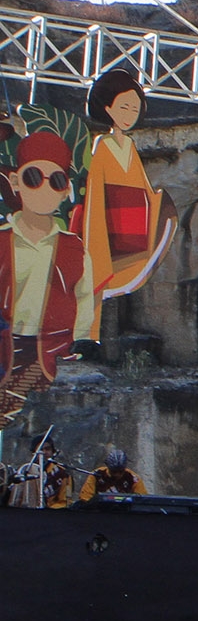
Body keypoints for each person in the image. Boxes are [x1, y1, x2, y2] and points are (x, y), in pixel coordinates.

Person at [2, 129, 96, 421]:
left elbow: (84, 298)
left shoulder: (75, 248)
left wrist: (82, 340)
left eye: (55, 181)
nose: (43, 189)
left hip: (52, 354)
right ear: (16, 182)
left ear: (65, 188)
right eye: (33, 178)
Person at [77, 69, 177, 339]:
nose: (129, 113)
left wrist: (154, 205)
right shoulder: (103, 143)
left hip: (134, 217)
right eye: (123, 106)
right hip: (111, 214)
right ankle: (87, 331)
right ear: (107, 108)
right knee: (97, 273)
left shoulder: (129, 144)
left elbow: (141, 181)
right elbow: (98, 184)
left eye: (134, 108)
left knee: (131, 270)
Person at [79, 447, 145, 500]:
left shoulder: (133, 478)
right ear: (108, 467)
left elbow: (144, 499)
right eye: (114, 471)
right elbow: (85, 498)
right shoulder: (97, 475)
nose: (117, 475)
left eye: (121, 471)